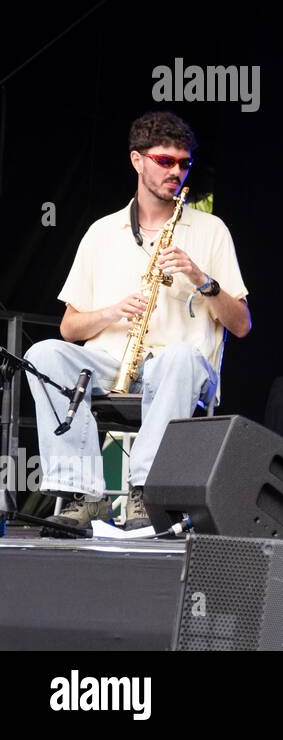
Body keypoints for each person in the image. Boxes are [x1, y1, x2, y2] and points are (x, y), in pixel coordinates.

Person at [26, 112, 251, 534]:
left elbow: (241, 325)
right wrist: (112, 312)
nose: (177, 172)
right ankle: (83, 496)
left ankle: (145, 492)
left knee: (180, 356)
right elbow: (70, 328)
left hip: (175, 366)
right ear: (137, 160)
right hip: (111, 362)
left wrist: (201, 279)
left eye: (184, 163)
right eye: (165, 161)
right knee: (43, 353)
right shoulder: (101, 232)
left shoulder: (211, 229)